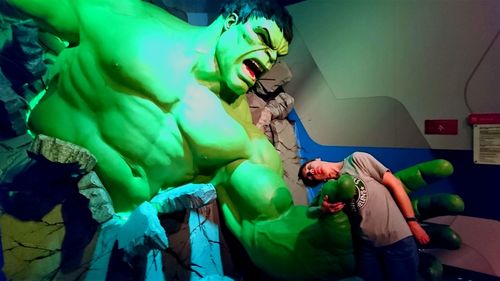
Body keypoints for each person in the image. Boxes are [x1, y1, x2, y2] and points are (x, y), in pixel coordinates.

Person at [5, 0, 462, 279]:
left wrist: (313, 245)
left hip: (127, 233)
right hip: (30, 188)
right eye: (261, 38)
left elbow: (265, 217)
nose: (265, 59)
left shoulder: (238, 130)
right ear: (227, 20)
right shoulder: (125, 20)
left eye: (276, 56)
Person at [299, 152, 431, 281]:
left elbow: (395, 184)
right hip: (367, 249)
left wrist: (412, 222)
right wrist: (322, 209)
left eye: (309, 167)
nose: (312, 172)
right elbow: (310, 211)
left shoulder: (356, 160)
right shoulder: (329, 190)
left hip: (397, 240)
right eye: (309, 176)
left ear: (317, 159)